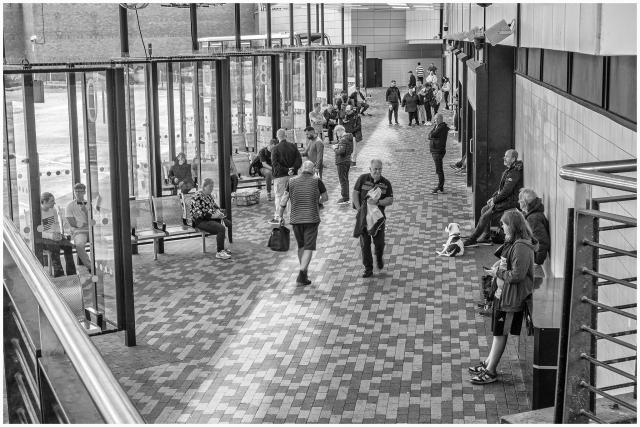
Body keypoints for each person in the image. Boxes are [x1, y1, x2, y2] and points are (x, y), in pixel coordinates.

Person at [468, 209, 535, 384]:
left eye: (504, 224)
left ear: (512, 226)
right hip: (503, 295)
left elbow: (518, 275)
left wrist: (498, 272)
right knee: (498, 332)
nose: (502, 227)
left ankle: (491, 371)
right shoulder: (514, 243)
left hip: (510, 299)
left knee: (500, 333)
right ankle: (488, 363)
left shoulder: (521, 246)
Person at [276, 161, 329, 286]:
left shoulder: (292, 181)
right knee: (309, 247)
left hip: (296, 219)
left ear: (301, 169)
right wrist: (318, 201)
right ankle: (301, 273)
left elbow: (283, 200)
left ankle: (304, 274)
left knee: (301, 246)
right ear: (313, 170)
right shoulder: (317, 181)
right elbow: (325, 197)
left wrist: (280, 216)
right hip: (311, 218)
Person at [464, 149, 524, 246]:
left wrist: (495, 200)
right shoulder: (510, 170)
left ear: (513, 159)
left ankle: (472, 239)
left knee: (486, 215)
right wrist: (494, 197)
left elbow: (506, 192)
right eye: (504, 155)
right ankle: (486, 236)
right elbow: (502, 189)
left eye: (507, 156)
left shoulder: (514, 172)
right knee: (484, 209)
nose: (504, 158)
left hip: (511, 201)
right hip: (506, 199)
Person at [352, 159, 394, 278]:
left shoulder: (386, 183)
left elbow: (390, 200)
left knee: (379, 243)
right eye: (375, 169)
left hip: (378, 220)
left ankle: (379, 257)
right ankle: (368, 268)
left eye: (380, 169)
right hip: (364, 219)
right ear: (370, 169)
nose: (377, 171)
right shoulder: (362, 179)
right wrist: (360, 209)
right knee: (365, 244)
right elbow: (355, 193)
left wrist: (378, 201)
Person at [190, 178, 232, 260]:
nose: (212, 189)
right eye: (210, 187)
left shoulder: (208, 195)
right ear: (204, 187)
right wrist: (214, 216)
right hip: (200, 221)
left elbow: (214, 206)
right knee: (221, 228)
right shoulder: (197, 197)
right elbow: (199, 214)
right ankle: (220, 252)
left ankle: (224, 247)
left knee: (227, 223)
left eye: (212, 187)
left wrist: (220, 212)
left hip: (210, 218)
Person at [270, 128, 302, 225]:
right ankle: (291, 216)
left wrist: (286, 170)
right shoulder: (293, 146)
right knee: (292, 196)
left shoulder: (275, 148)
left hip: (280, 176)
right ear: (286, 136)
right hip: (293, 176)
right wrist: (292, 169)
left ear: (277, 136)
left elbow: (275, 164)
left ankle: (279, 217)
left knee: (279, 196)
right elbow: (299, 161)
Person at [40, 192, 77, 277]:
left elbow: (56, 225)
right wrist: (51, 236)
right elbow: (38, 232)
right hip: (44, 238)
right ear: (44, 202)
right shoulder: (38, 213)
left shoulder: (53, 210)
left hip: (54, 235)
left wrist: (58, 234)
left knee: (68, 246)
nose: (54, 203)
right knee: (55, 248)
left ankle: (72, 274)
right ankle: (59, 275)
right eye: (52, 201)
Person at [519, 188, 551, 268]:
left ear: (524, 203)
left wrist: (537, 261)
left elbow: (542, 241)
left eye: (520, 201)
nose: (519, 203)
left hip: (534, 258)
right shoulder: (534, 214)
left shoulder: (533, 218)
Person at [64, 183, 92, 273]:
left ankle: (101, 264)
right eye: (76, 191)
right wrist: (83, 224)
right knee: (79, 245)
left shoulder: (89, 204)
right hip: (79, 232)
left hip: (91, 230)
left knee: (103, 242)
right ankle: (90, 266)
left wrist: (86, 211)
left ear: (84, 192)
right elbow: (72, 223)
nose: (78, 193)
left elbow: (93, 221)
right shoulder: (70, 205)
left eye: (80, 191)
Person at [428, 113, 450, 194]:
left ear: (441, 119)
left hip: (438, 151)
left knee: (439, 170)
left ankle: (440, 187)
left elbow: (432, 134)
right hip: (436, 150)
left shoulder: (441, 128)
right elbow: (429, 135)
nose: (435, 121)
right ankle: (441, 187)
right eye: (434, 119)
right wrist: (432, 134)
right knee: (439, 169)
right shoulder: (437, 126)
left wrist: (432, 135)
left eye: (436, 119)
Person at [332, 125, 353, 205]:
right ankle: (346, 197)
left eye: (336, 133)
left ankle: (345, 198)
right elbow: (349, 149)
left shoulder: (343, 139)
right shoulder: (349, 138)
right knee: (345, 179)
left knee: (343, 180)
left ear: (339, 130)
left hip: (342, 162)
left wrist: (334, 148)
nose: (337, 135)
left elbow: (341, 152)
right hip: (347, 160)